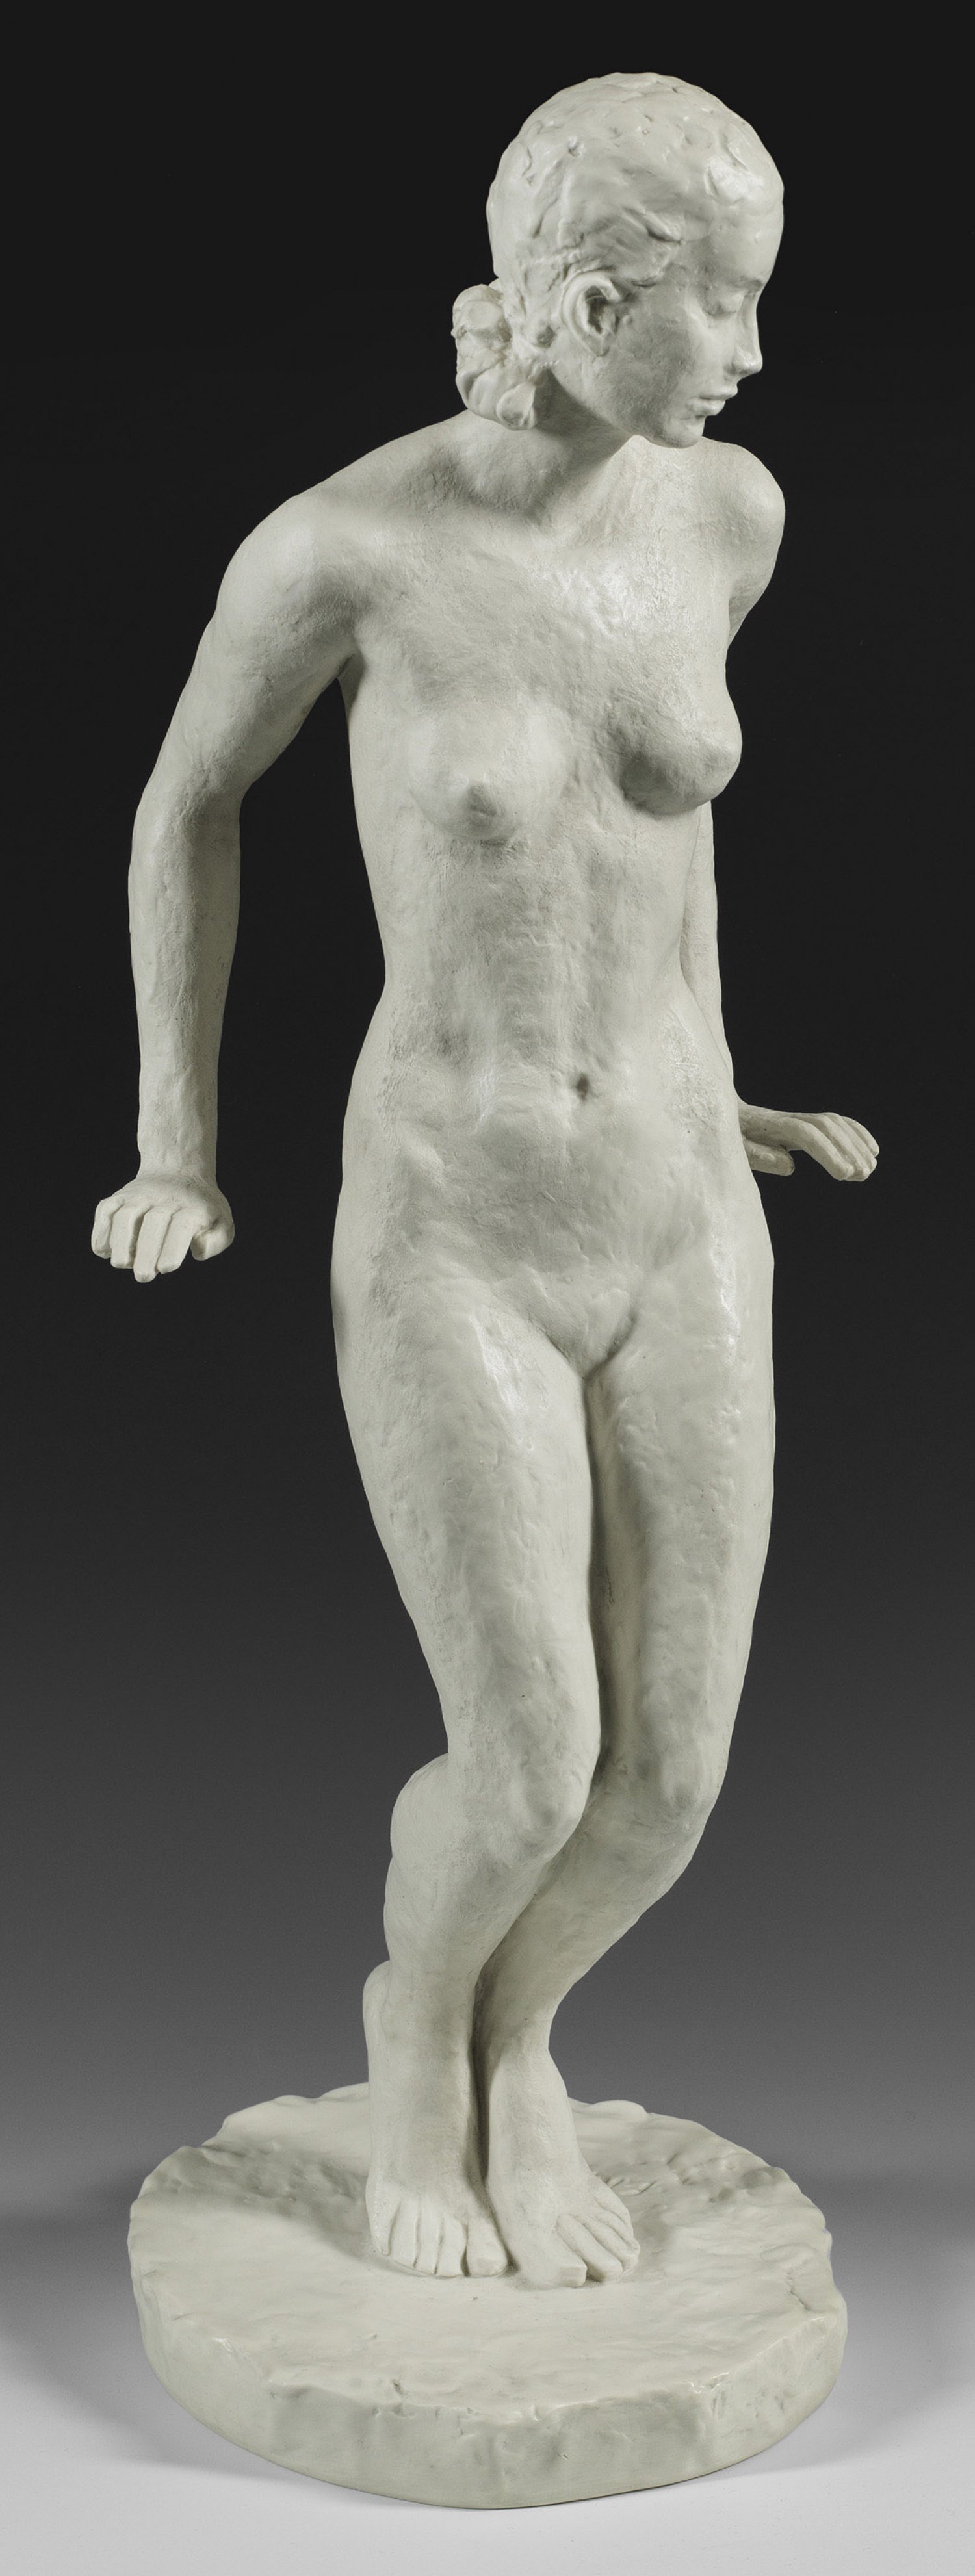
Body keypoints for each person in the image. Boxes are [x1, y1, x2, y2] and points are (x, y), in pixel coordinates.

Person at [93, 72, 877, 2289]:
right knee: (530, 1759)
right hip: (457, 1216)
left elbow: (656, 868)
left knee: (673, 1777)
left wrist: (724, 1091)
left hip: (678, 1205)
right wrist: (174, 1139)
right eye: (720, 303)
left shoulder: (727, 519)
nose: (749, 351)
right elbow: (183, 807)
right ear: (591, 301)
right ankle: (421, 2041)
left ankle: (517, 2037)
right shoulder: (345, 551)